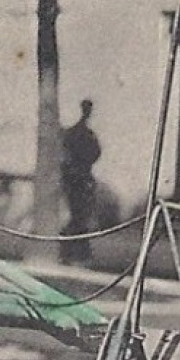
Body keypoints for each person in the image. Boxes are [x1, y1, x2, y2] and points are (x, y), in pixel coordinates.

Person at [60, 98, 102, 264]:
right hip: (76, 179)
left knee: (80, 217)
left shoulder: (82, 133)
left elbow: (96, 153)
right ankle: (72, 253)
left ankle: (75, 254)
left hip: (81, 178)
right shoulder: (77, 133)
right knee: (78, 217)